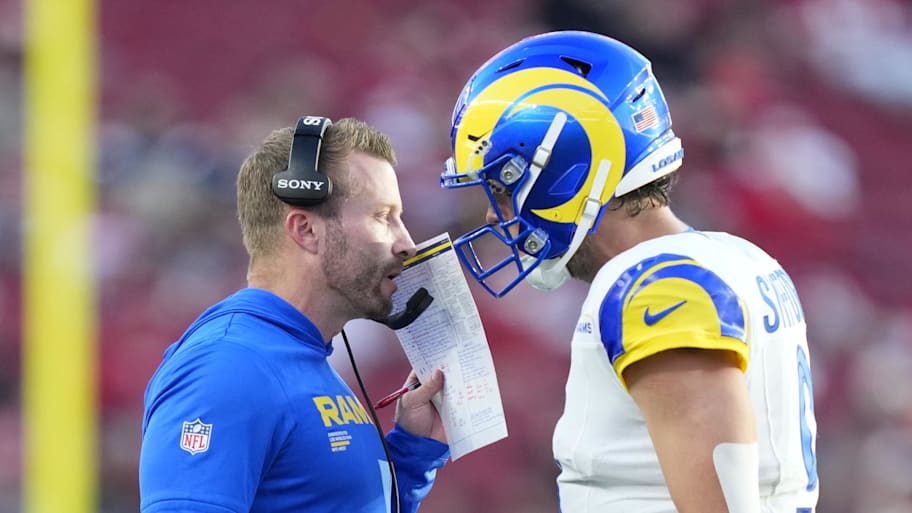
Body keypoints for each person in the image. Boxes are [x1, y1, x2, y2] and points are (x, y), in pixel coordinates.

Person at [439, 31, 818, 513]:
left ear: (566, 169)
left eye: (502, 184)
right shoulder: (736, 258)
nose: (495, 214)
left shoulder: (655, 288)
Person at [139, 116, 449, 513]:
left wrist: (412, 454)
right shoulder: (228, 366)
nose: (406, 243)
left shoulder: (299, 359)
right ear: (305, 230)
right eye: (382, 216)